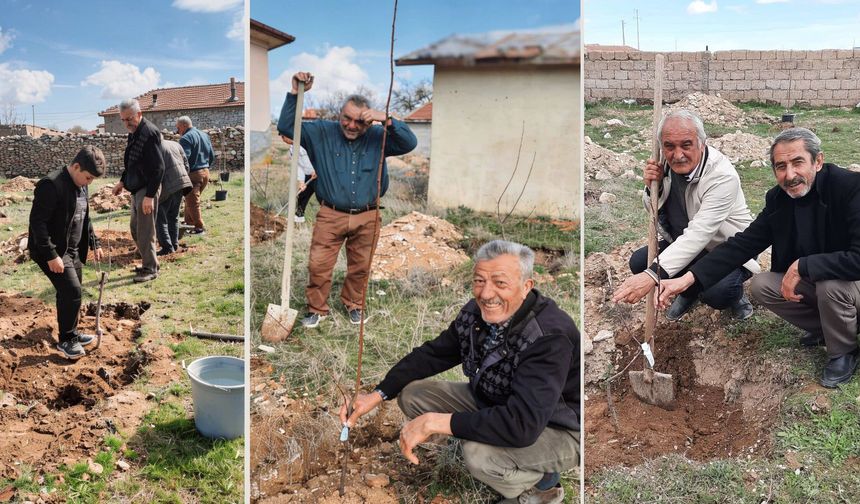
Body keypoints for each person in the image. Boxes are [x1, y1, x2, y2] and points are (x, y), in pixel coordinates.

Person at [340, 240, 579, 504]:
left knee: (479, 455)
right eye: (479, 281)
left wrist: (435, 422)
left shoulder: (548, 337)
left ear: (526, 286)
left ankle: (541, 484)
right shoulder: (477, 313)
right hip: (496, 402)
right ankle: (486, 440)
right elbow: (434, 354)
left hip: (559, 428)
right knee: (413, 395)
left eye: (500, 283)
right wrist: (376, 394)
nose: (486, 294)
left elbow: (522, 424)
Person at [658, 127, 860, 388]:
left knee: (830, 285)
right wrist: (688, 279)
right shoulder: (779, 199)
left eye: (798, 162)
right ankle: (828, 329)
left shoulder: (850, 188)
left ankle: (843, 351)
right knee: (763, 285)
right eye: (781, 166)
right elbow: (743, 244)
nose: (790, 175)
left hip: (851, 283)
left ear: (817, 161)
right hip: (826, 284)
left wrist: (804, 265)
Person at [277, 71, 418, 328]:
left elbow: (410, 142)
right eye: (347, 119)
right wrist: (296, 94)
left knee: (360, 266)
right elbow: (286, 127)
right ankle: (316, 308)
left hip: (368, 215)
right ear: (339, 115)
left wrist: (385, 119)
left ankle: (354, 304)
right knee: (318, 264)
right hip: (331, 214)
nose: (352, 126)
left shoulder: (379, 137)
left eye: (359, 122)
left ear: (368, 122)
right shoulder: (321, 132)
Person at [612, 110, 758, 320]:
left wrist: (653, 275)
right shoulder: (664, 164)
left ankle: (735, 297)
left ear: (702, 142)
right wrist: (655, 187)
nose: (677, 154)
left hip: (727, 248)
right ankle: (687, 292)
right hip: (686, 242)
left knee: (718, 293)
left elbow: (700, 233)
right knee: (639, 262)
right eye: (669, 146)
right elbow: (655, 211)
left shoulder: (722, 177)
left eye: (686, 145)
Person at [29, 146, 106, 360]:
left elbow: (85, 216)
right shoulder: (51, 185)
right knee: (71, 291)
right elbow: (38, 223)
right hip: (51, 249)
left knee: (72, 293)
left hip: (72, 249)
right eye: (88, 178)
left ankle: (71, 333)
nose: (89, 183)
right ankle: (65, 341)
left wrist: (94, 242)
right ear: (76, 166)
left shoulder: (82, 186)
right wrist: (51, 255)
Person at [112, 98, 164, 283]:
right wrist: (122, 182)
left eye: (129, 119)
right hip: (136, 189)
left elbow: (159, 168)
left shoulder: (149, 133)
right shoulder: (133, 133)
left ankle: (150, 269)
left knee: (145, 230)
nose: (126, 123)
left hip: (147, 189)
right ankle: (149, 263)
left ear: (139, 114)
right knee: (135, 228)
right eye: (123, 120)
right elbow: (132, 162)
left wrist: (150, 196)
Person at [176, 115, 215, 235]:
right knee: (190, 199)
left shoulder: (185, 138)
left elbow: (185, 158)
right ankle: (189, 223)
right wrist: (206, 167)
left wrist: (182, 173)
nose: (178, 131)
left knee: (193, 202)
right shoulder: (204, 135)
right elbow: (211, 154)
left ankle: (199, 227)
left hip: (193, 173)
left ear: (184, 125)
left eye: (178, 128)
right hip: (205, 172)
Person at [156, 137, 192, 255]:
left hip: (167, 185)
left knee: (160, 218)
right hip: (182, 183)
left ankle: (167, 247)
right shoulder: (176, 144)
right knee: (174, 216)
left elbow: (156, 170)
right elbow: (186, 164)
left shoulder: (156, 147)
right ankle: (174, 244)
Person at [280, 134, 316, 223]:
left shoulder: (305, 143)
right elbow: (298, 166)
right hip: (308, 175)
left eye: (283, 137)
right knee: (302, 194)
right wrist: (301, 181)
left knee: (323, 196)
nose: (283, 140)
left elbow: (318, 156)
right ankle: (299, 217)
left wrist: (318, 169)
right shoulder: (292, 149)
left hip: (319, 174)